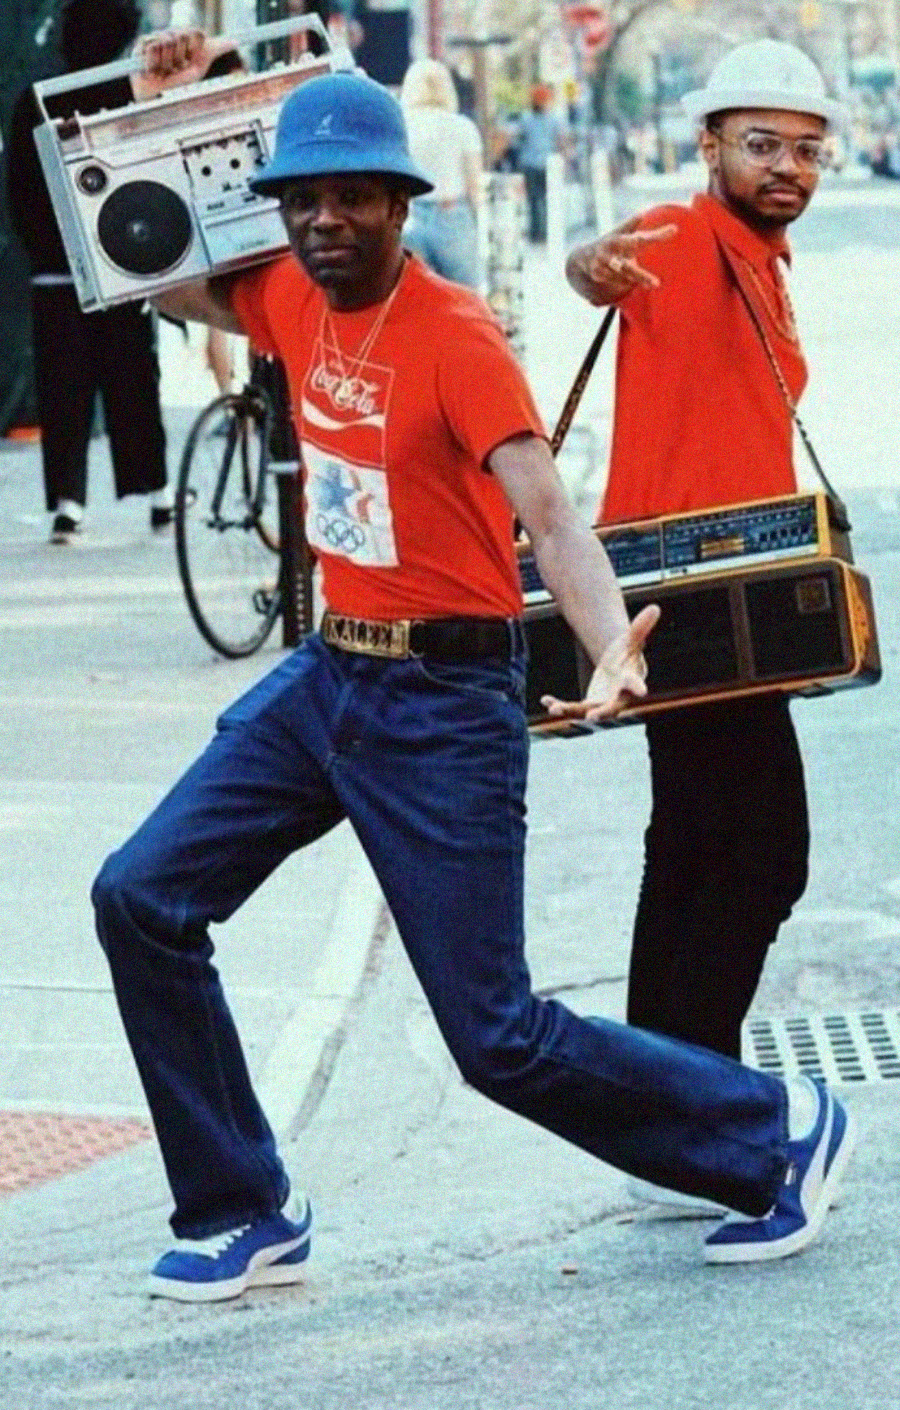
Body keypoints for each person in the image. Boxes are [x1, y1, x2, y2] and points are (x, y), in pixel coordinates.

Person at [91, 56, 854, 1302]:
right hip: (328, 679)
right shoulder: (286, 292)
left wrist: (609, 645)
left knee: (495, 1039)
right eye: (303, 201)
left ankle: (775, 1133)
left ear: (401, 203)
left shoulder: (454, 337)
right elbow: (146, 261)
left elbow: (549, 515)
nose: (325, 222)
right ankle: (244, 1206)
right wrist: (174, 114)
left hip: (445, 701)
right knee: (140, 899)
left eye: (353, 199)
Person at [566, 41, 841, 1135]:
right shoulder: (683, 237)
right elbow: (601, 269)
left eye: (808, 150)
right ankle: (697, 1098)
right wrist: (589, 263)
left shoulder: (764, 257)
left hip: (729, 596)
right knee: (767, 852)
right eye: (763, 145)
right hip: (688, 598)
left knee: (692, 839)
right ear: (710, 147)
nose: (789, 167)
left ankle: (666, 1089)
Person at [5, 0, 175, 544]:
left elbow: (20, 192)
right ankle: (156, 495)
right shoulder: (128, 98)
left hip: (57, 273)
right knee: (133, 380)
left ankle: (69, 504)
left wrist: (44, 254)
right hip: (121, 264)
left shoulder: (36, 100)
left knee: (63, 390)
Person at [398, 57, 483, 288]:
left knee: (414, 297)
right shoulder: (463, 126)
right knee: (465, 297)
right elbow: (474, 184)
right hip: (452, 212)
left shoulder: (401, 126)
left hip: (409, 216)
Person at [515, 85, 567, 243]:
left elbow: (519, 138)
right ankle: (545, 233)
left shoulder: (525, 119)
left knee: (533, 200)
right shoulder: (555, 119)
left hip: (529, 164)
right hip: (547, 165)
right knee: (546, 199)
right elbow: (561, 141)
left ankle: (535, 234)